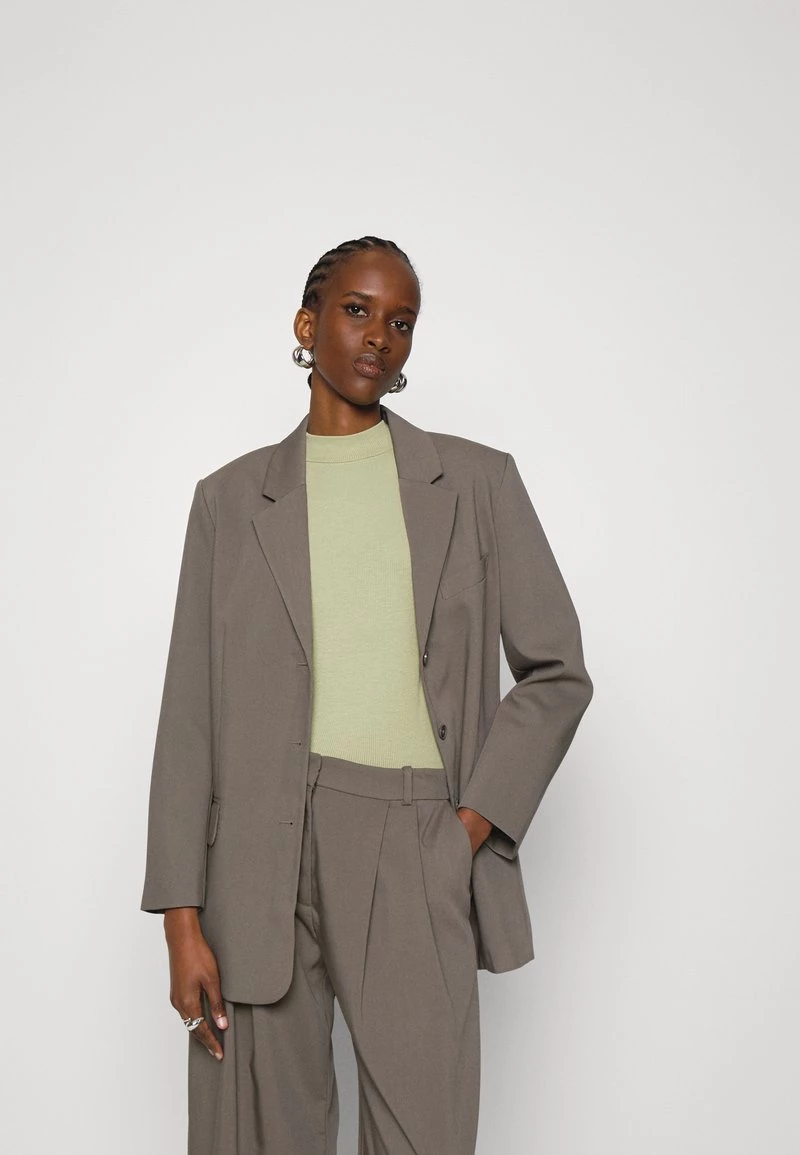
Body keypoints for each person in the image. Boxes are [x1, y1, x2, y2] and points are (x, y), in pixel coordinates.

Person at [140, 235, 594, 1154]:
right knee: (259, 1132)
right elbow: (189, 717)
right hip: (257, 856)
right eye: (357, 310)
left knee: (425, 1130)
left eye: (402, 321)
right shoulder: (228, 502)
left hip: (413, 834)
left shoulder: (476, 482)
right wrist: (181, 921)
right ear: (307, 325)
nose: (379, 336)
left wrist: (465, 827)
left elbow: (557, 671)